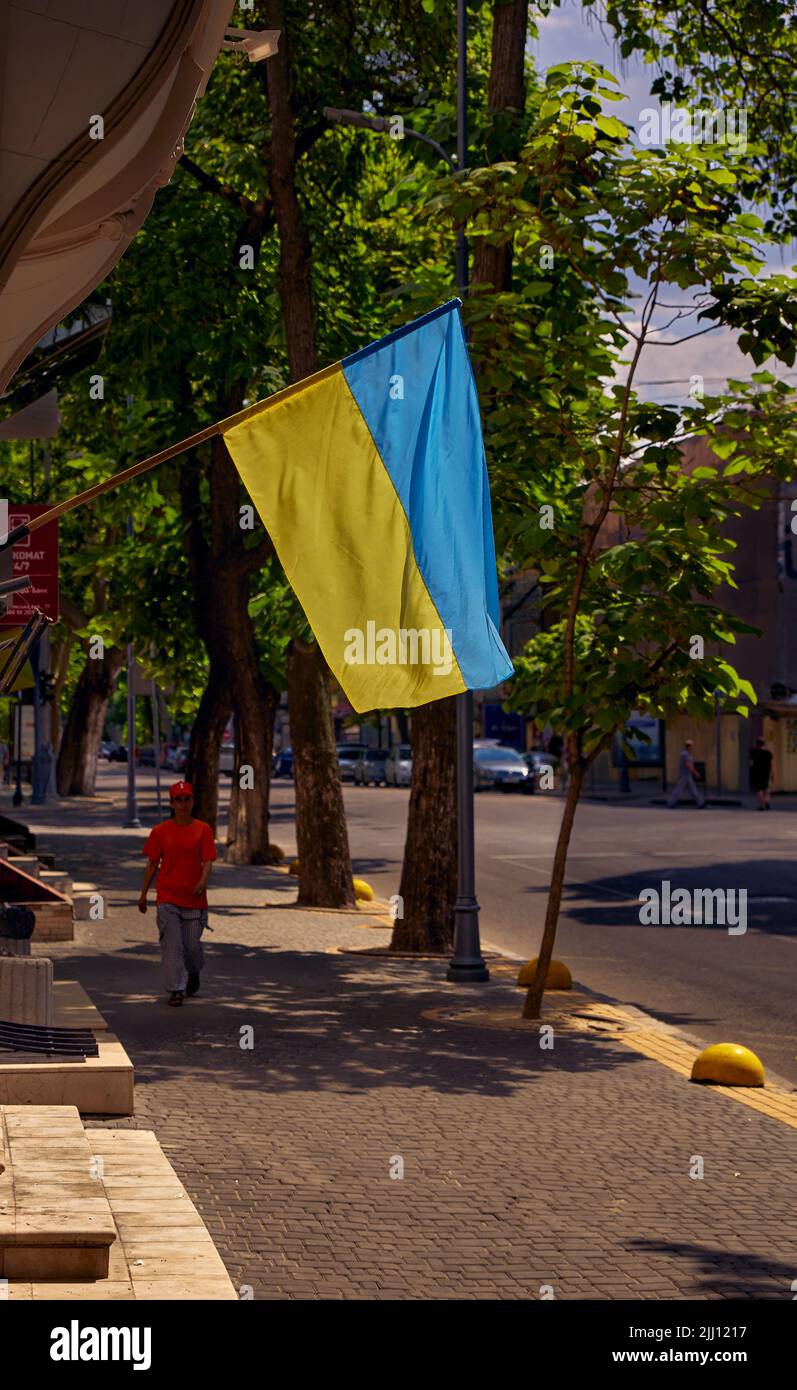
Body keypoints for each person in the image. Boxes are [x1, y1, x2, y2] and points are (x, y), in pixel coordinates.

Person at [138, 780, 217, 1007]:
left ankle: (193, 972)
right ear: (172, 804)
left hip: (194, 900)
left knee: (191, 947)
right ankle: (176, 990)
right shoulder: (160, 831)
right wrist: (143, 895)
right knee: (173, 945)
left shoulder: (203, 829)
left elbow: (208, 861)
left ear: (193, 801)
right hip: (168, 897)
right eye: (178, 800)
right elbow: (152, 864)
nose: (183, 804)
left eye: (187, 799)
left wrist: (202, 881)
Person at [667, 739, 706, 808]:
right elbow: (688, 765)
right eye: (691, 746)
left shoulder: (687, 754)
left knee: (693, 790)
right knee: (678, 790)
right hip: (684, 775)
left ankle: (700, 803)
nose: (692, 748)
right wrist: (695, 773)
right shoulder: (685, 754)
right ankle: (671, 803)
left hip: (687, 775)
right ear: (688, 746)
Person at [749, 736, 774, 810]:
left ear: (756, 744)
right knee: (766, 789)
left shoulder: (753, 752)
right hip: (766, 773)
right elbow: (772, 764)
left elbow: (750, 763)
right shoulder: (768, 753)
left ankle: (762, 805)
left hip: (756, 773)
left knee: (759, 789)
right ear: (764, 744)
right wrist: (773, 773)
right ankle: (766, 801)